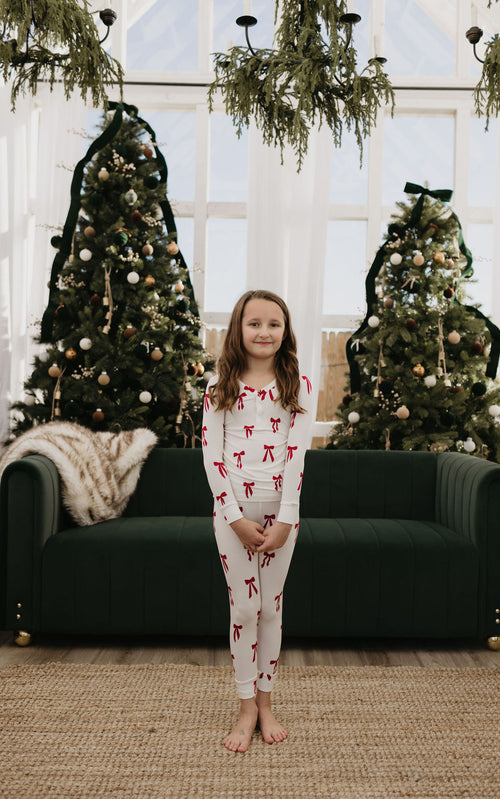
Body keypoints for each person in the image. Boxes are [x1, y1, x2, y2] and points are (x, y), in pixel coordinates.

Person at [202, 289, 313, 753]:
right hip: (234, 517)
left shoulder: (298, 387)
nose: (264, 332)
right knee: (245, 608)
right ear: (238, 329)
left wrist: (286, 518)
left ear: (284, 331)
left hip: (280, 515)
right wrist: (233, 518)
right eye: (254, 323)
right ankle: (245, 707)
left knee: (271, 608)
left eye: (274, 324)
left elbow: (296, 456)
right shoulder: (218, 389)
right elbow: (212, 458)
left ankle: (267, 704)